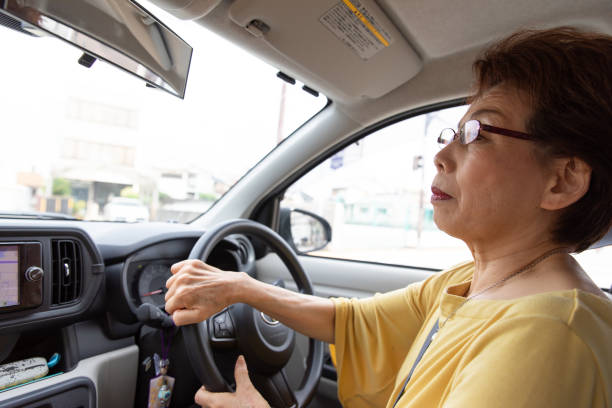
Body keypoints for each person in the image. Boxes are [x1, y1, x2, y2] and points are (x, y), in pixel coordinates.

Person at [164, 27, 612, 408]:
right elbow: (356, 324)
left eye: (478, 133)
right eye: (452, 133)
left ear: (562, 181)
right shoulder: (476, 280)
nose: (441, 156)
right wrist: (240, 287)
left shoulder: (548, 338)